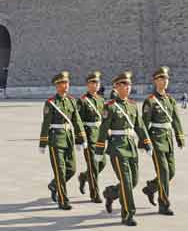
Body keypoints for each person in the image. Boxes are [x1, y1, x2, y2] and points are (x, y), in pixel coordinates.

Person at [95, 71, 152, 227]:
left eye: (129, 85)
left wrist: (147, 142)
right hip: (117, 148)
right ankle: (127, 214)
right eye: (124, 85)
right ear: (117, 87)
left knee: (133, 181)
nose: (128, 87)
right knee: (126, 182)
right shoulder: (110, 107)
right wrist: (99, 150)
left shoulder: (133, 105)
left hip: (130, 145)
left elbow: (140, 126)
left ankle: (111, 193)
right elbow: (103, 129)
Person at [39, 71, 87, 210]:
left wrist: (81, 138)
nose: (65, 86)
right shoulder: (51, 103)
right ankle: (63, 200)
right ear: (56, 86)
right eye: (62, 83)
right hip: (55, 139)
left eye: (66, 83)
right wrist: (43, 142)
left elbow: (77, 121)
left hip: (68, 138)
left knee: (71, 169)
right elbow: (45, 124)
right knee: (60, 171)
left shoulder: (72, 101)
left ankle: (54, 185)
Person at [141, 66, 185, 216]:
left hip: (168, 139)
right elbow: (144, 123)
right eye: (161, 79)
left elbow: (176, 120)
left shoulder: (170, 100)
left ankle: (151, 187)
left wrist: (180, 137)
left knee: (171, 172)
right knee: (164, 172)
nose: (164, 81)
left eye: (166, 79)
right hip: (156, 141)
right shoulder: (150, 101)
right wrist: (145, 142)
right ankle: (164, 204)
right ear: (155, 81)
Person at [77, 71, 106, 203]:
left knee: (102, 163)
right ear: (88, 85)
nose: (96, 85)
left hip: (100, 137)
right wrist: (81, 138)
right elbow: (78, 121)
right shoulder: (82, 101)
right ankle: (94, 193)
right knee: (93, 165)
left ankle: (84, 176)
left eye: (97, 83)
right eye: (93, 82)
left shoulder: (101, 100)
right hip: (89, 137)